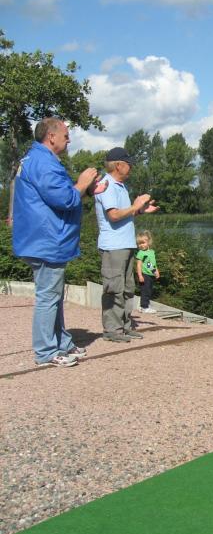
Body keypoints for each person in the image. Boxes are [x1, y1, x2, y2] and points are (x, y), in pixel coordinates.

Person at [11, 118, 102, 367]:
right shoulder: (43, 163)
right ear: (51, 136)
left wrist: (86, 189)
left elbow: (58, 194)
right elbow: (64, 199)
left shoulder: (38, 159)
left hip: (43, 238)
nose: (69, 140)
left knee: (54, 295)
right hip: (46, 240)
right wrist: (82, 183)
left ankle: (61, 342)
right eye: (66, 135)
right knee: (48, 297)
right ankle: (46, 351)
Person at [95, 147, 158, 343]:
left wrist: (139, 211)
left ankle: (125, 326)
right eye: (129, 164)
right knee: (114, 288)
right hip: (113, 246)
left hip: (126, 244)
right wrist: (135, 206)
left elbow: (123, 214)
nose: (131, 167)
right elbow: (113, 215)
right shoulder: (107, 185)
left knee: (128, 288)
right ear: (118, 165)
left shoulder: (121, 186)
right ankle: (112, 330)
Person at [135, 230, 160, 314]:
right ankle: (144, 307)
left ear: (149, 242)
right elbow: (139, 265)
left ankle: (144, 305)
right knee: (145, 291)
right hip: (144, 275)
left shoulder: (151, 252)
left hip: (150, 275)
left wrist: (156, 271)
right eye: (139, 243)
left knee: (149, 290)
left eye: (143, 243)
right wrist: (140, 275)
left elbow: (149, 263)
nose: (141, 245)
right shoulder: (141, 253)